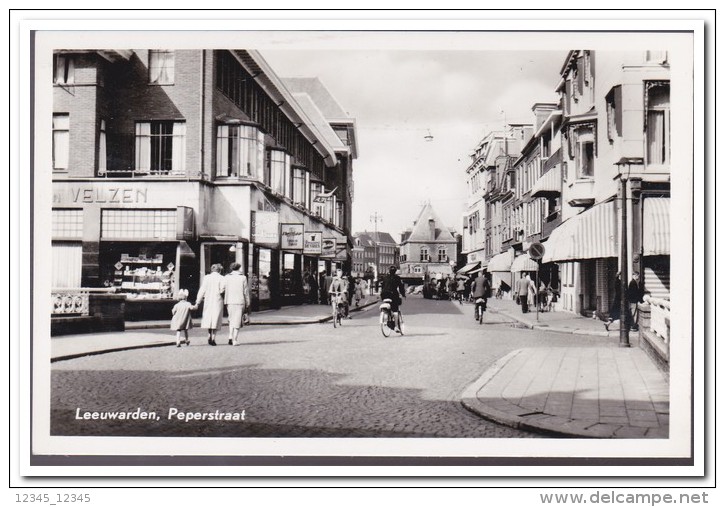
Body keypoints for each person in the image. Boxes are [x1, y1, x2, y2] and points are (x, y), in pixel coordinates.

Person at [195, 263, 226, 346]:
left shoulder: (206, 278)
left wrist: (198, 302)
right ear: (219, 270)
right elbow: (222, 290)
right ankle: (213, 337)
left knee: (209, 318)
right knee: (216, 318)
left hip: (208, 300)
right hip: (218, 300)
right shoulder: (222, 278)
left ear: (212, 270)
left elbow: (202, 290)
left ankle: (209, 334)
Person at [224, 262, 250, 346]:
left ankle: (230, 337)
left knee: (231, 319)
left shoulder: (227, 277)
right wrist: (248, 302)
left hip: (229, 301)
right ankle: (234, 339)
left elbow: (223, 289)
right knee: (238, 321)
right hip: (240, 301)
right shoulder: (243, 277)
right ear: (239, 268)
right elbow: (245, 291)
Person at [380, 265, 406, 330]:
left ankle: (386, 316)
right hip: (392, 294)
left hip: (384, 294)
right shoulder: (397, 278)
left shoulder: (385, 277)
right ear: (395, 271)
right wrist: (403, 294)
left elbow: (382, 286)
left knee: (386, 307)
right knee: (395, 310)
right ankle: (396, 326)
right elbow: (401, 287)